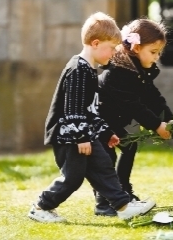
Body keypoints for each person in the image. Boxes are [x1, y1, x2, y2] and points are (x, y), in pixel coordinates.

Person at [27, 12, 155, 223]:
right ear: (96, 43)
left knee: (104, 166)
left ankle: (123, 206)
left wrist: (105, 132)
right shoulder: (78, 69)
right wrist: (81, 138)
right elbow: (73, 110)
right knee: (73, 178)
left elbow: (90, 111)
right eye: (112, 48)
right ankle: (41, 206)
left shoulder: (89, 70)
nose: (114, 54)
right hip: (69, 137)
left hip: (83, 133)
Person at [95, 18, 173, 216]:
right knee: (107, 157)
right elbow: (133, 105)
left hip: (113, 120)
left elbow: (153, 98)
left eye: (159, 53)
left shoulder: (139, 71)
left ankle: (124, 193)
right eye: (153, 52)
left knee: (129, 145)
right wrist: (156, 125)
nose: (156, 57)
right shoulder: (119, 72)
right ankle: (104, 203)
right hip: (98, 121)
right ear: (136, 48)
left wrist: (171, 122)